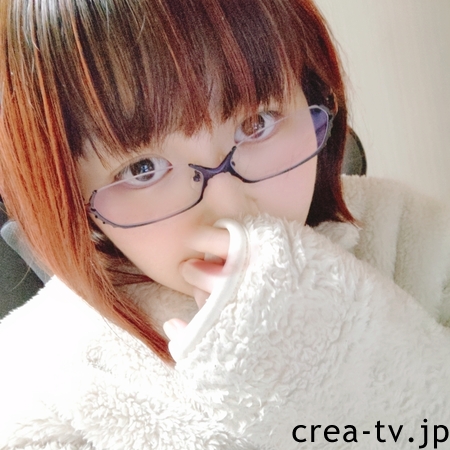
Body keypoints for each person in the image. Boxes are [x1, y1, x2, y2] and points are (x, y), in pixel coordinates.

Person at [0, 0, 449, 448]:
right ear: (70, 196)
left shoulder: (414, 237)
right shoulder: (39, 384)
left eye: (257, 123)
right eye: (143, 169)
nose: (229, 206)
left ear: (312, 92)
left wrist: (333, 353)